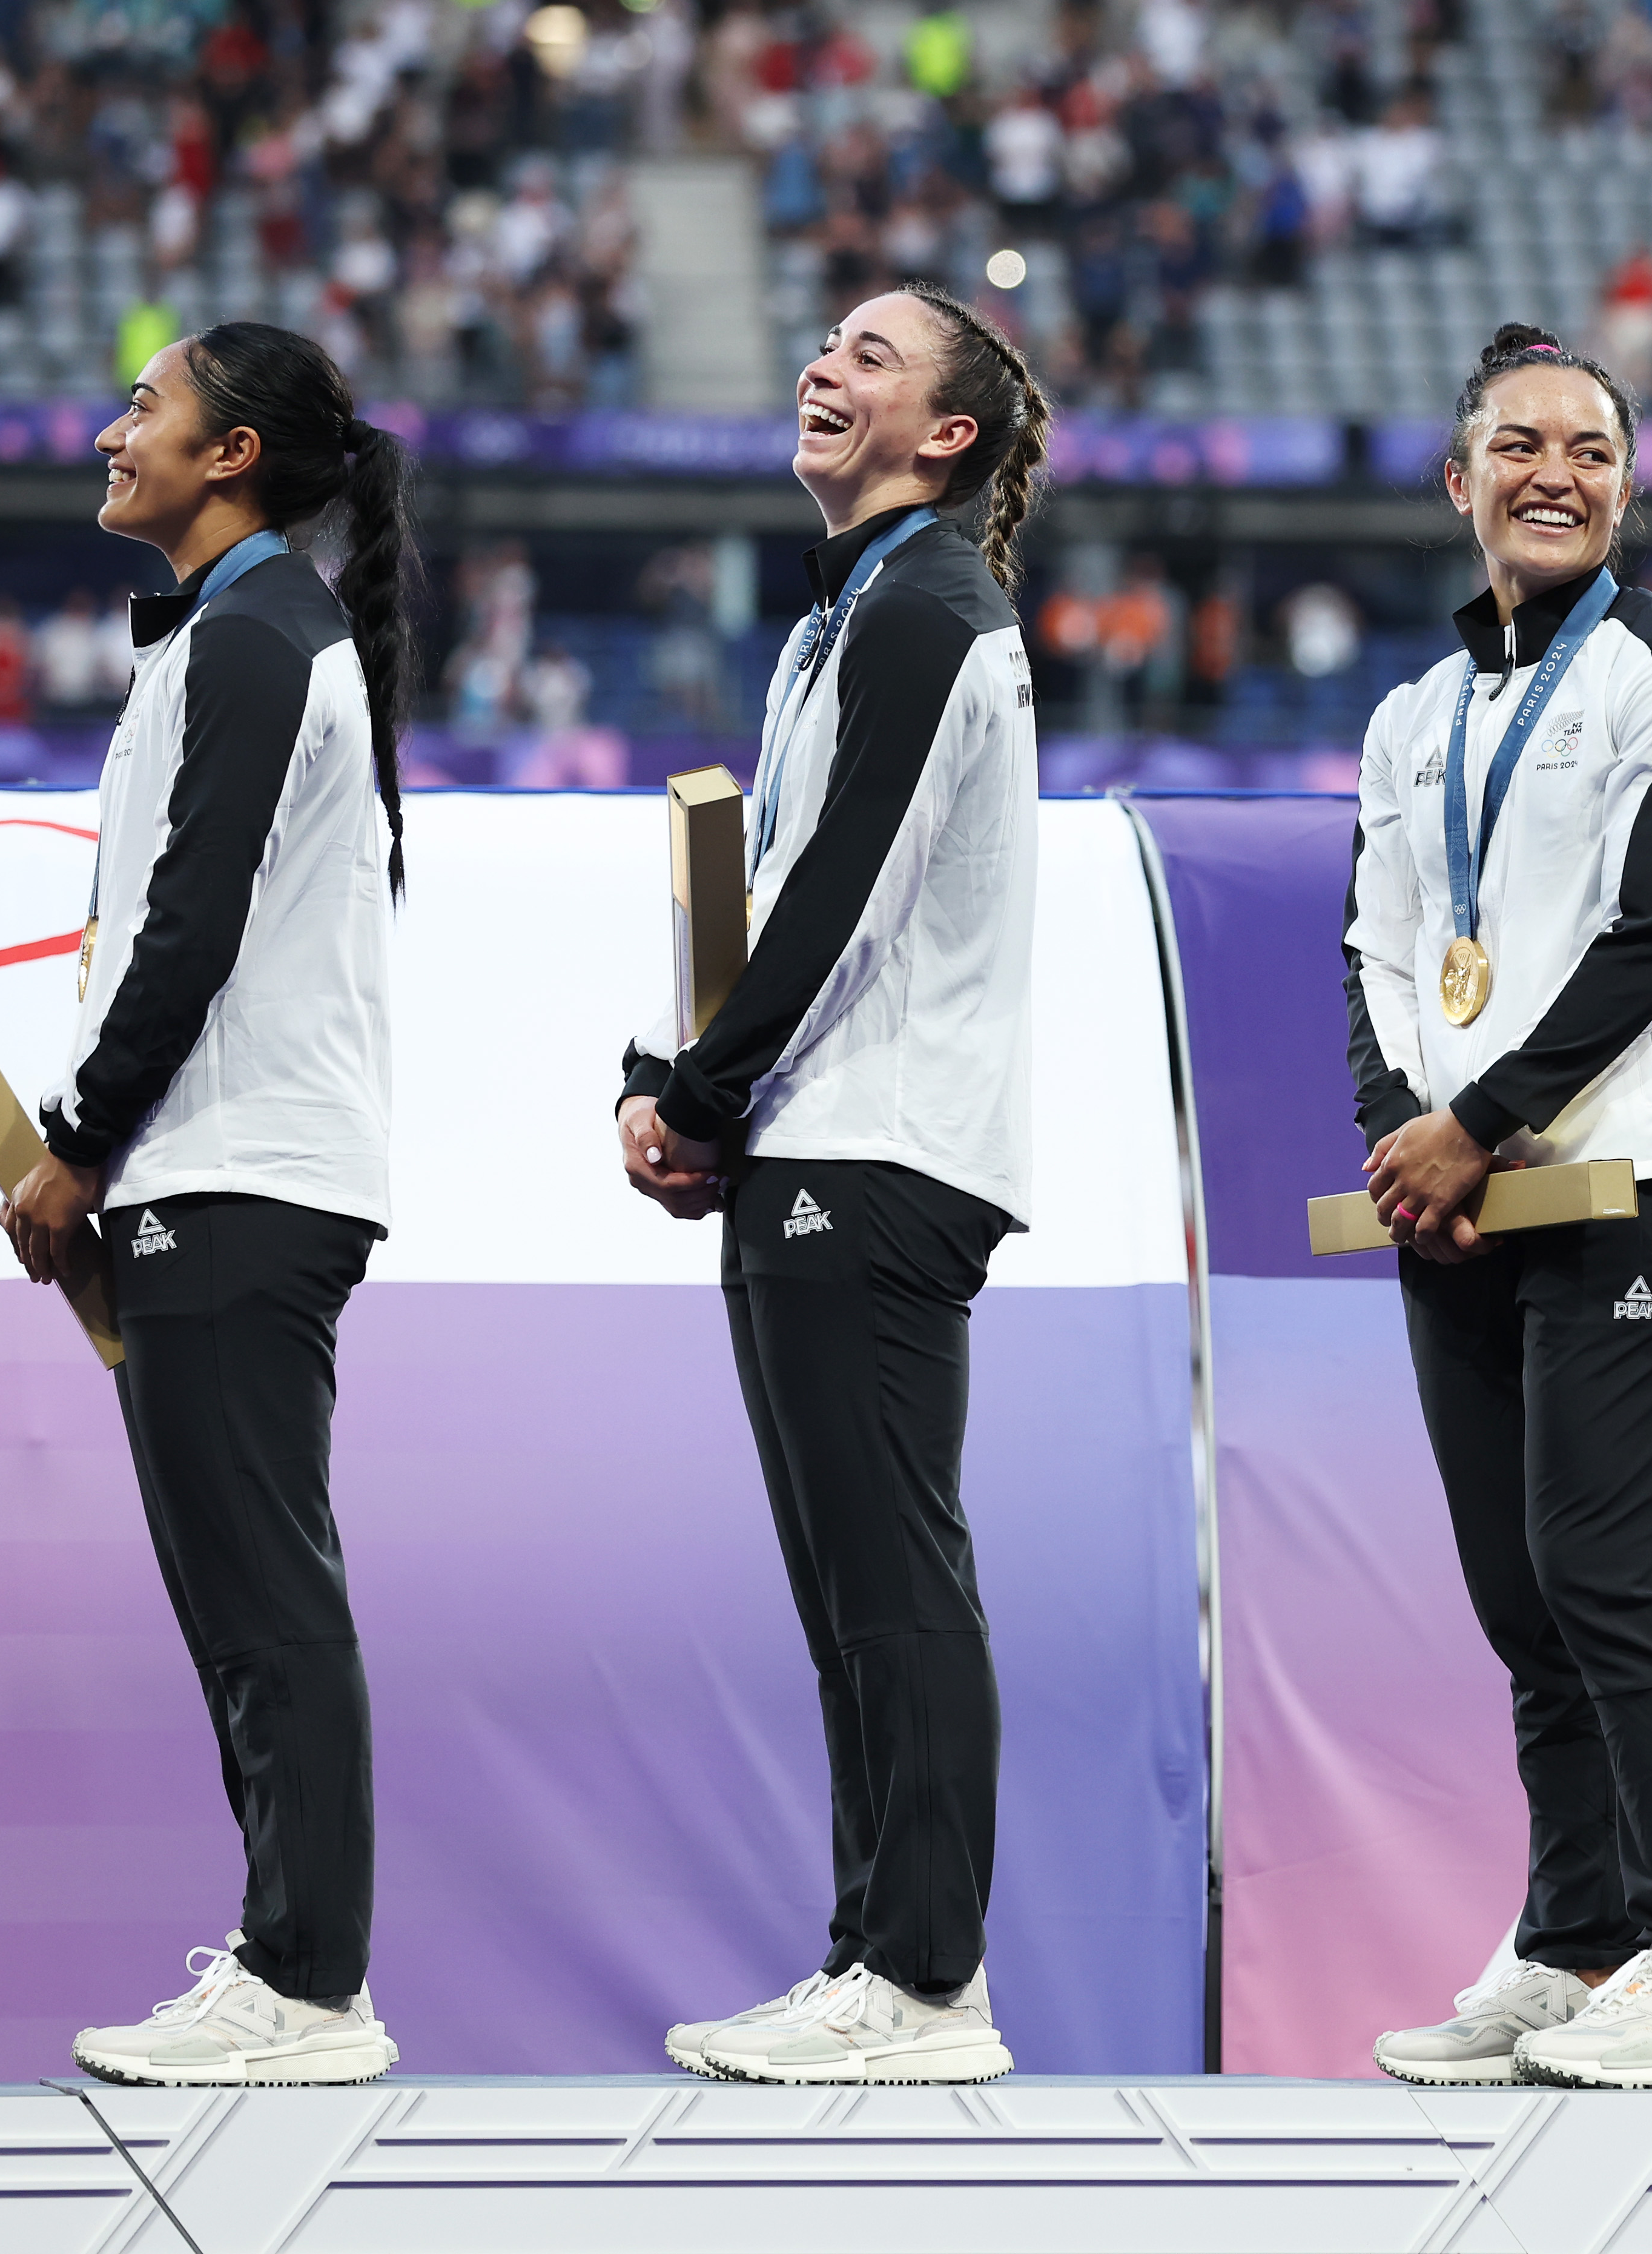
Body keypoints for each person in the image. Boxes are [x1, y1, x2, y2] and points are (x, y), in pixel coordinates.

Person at [614, 283, 1049, 2086]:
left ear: (946, 435)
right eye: (827, 341)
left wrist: (698, 1091)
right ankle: (876, 1951)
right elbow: (771, 878)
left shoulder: (933, 603)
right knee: (846, 1579)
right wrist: (681, 1075)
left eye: (876, 356)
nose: (825, 364)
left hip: (876, 1146)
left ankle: (928, 1976)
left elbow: (840, 886)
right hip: (817, 1138)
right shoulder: (841, 624)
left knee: (891, 1569)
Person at [1348, 323, 1652, 2091]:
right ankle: (1581, 1935)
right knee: (1525, 1595)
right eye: (1520, 446)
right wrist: (1408, 1136)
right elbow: (1373, 942)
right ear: (1461, 483)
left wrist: (1482, 1119)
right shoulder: (1410, 716)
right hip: (1464, 1204)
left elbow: (1649, 937)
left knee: (1612, 1574)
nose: (1557, 474)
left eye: (1592, 450)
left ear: (1625, 485)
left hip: (1632, 1184)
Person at [4, 322, 416, 2085]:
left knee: (262, 1591)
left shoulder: (254, 633)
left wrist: (81, 1139)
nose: (114, 432)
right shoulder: (231, 631)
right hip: (224, 1164)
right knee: (243, 1591)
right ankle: (291, 1961)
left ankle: (308, 1981)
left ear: (232, 455)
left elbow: (195, 926)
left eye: (147, 409)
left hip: (234, 1172)